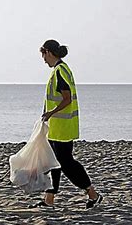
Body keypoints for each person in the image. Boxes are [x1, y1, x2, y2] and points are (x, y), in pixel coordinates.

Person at [33, 39, 103, 209]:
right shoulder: (60, 69)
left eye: (43, 55)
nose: (43, 59)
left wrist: (50, 113)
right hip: (57, 128)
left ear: (48, 52)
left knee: (66, 163)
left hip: (62, 128)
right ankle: (49, 199)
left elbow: (67, 98)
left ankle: (92, 194)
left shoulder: (60, 71)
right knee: (53, 162)